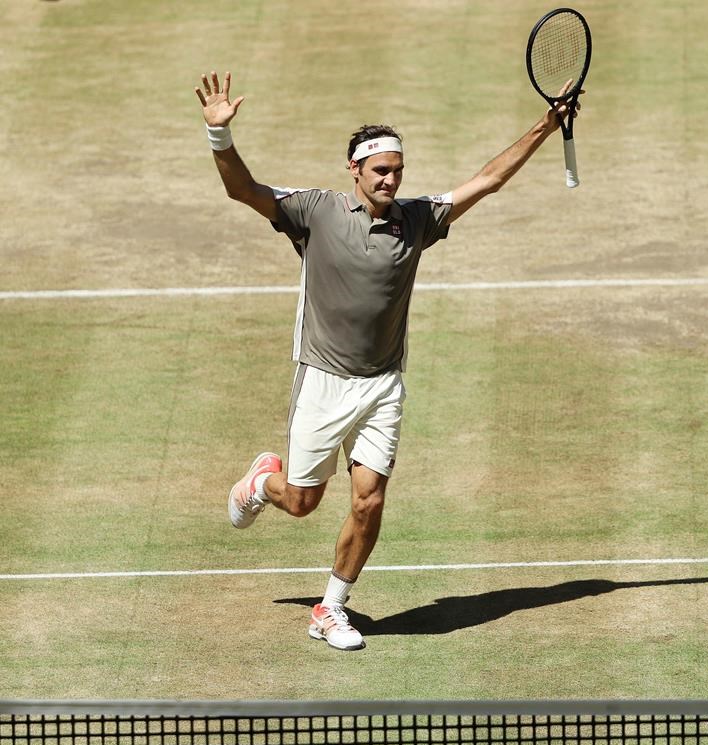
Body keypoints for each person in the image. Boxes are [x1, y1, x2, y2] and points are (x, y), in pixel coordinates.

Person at [194, 70, 582, 651]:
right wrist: (219, 136)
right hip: (323, 383)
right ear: (354, 169)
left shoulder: (417, 219)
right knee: (301, 503)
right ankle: (259, 483)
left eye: (397, 170)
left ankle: (331, 607)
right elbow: (243, 190)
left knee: (370, 498)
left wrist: (546, 125)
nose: (390, 179)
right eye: (380, 170)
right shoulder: (314, 212)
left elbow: (489, 180)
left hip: (382, 387)